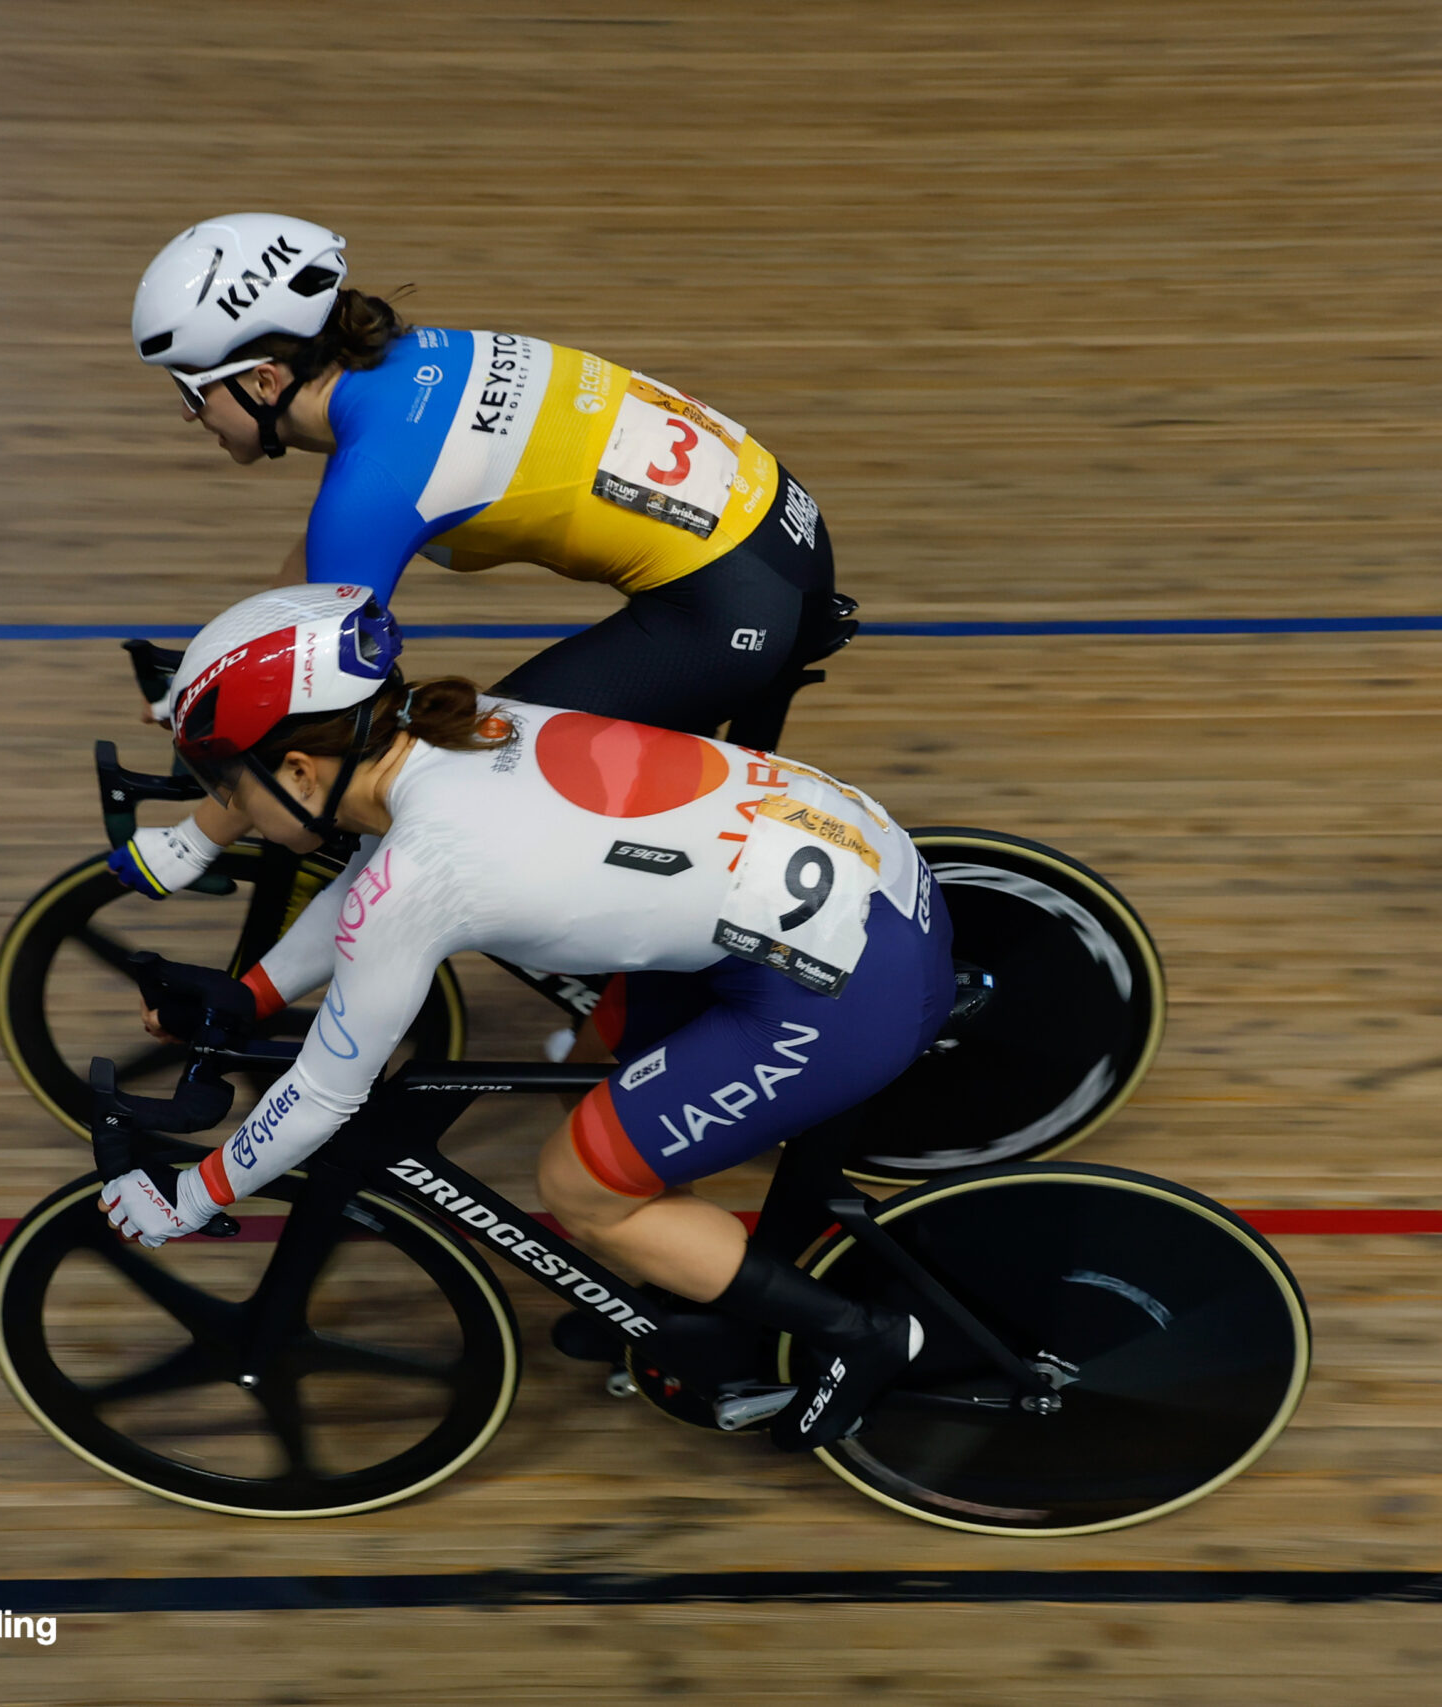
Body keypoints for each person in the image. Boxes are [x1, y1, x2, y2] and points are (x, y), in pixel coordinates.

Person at [97, 585, 951, 1452]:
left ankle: (861, 1335)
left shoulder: (424, 867)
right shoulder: (457, 727)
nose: (227, 811)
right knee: (592, 1067)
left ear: (299, 772)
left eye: (226, 788)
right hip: (864, 883)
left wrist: (189, 1195)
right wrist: (254, 995)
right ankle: (686, 1283)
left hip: (839, 986)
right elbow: (368, 884)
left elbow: (322, 1093)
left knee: (581, 1184)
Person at [107, 213, 848, 903]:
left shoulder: (374, 484)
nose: (185, 412)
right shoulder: (397, 372)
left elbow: (316, 722)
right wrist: (211, 670)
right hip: (771, 533)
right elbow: (307, 587)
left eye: (190, 389)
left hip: (727, 604)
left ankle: (634, 970)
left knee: (469, 777)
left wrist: (197, 838)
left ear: (265, 380)